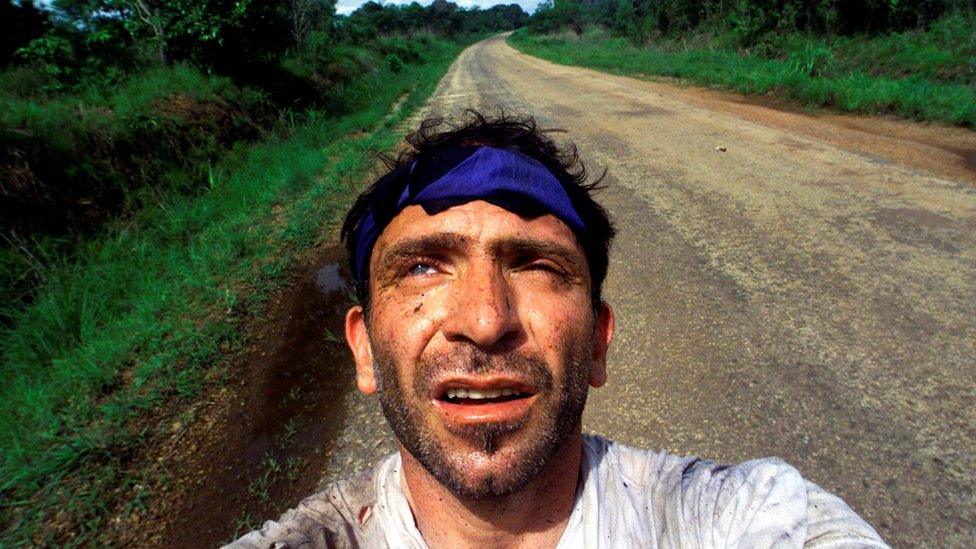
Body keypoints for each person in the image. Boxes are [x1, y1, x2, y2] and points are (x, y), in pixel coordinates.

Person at [228, 111, 887, 548]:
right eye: (425, 266)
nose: (484, 322)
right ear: (365, 347)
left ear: (598, 340)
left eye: (537, 265)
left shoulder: (737, 517)